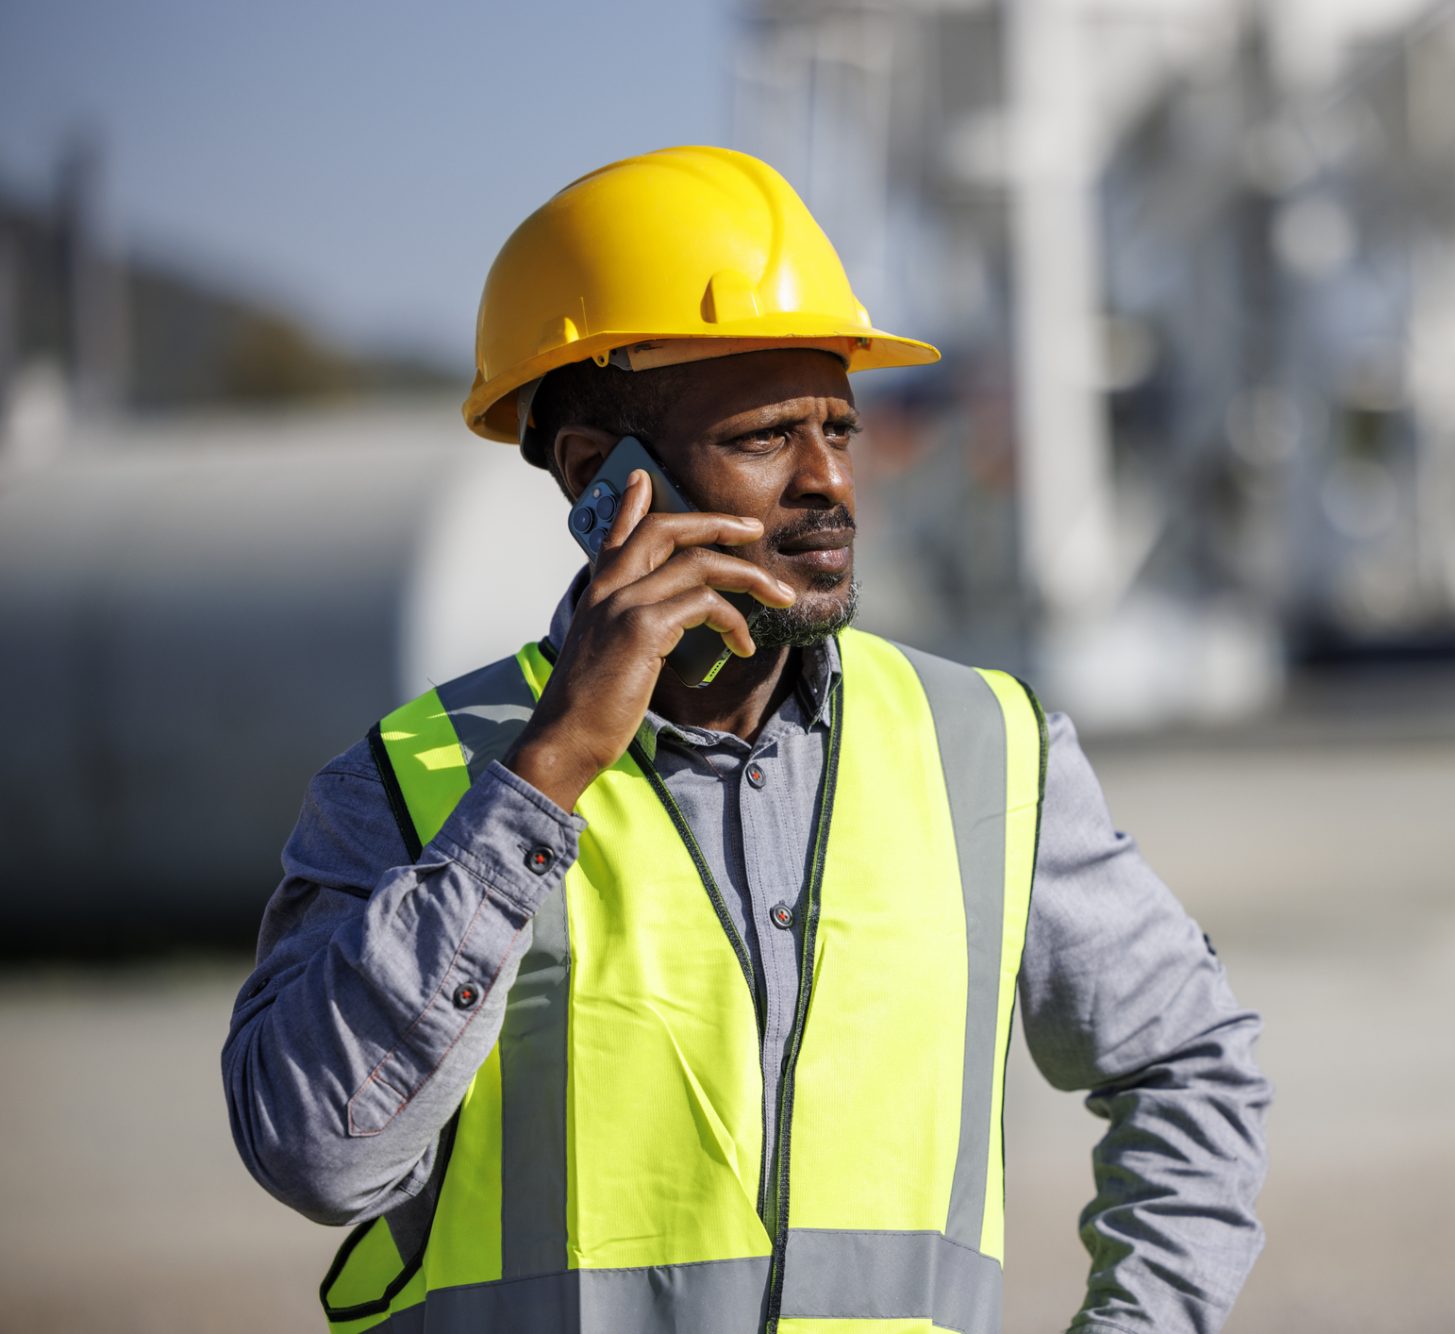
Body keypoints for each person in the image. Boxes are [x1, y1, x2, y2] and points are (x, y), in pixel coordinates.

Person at [222, 145, 1268, 1334]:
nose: (830, 482)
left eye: (840, 426)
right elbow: (315, 1153)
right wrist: (548, 771)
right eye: (768, 436)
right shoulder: (415, 781)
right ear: (597, 477)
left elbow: (1191, 1061)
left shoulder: (987, 749)